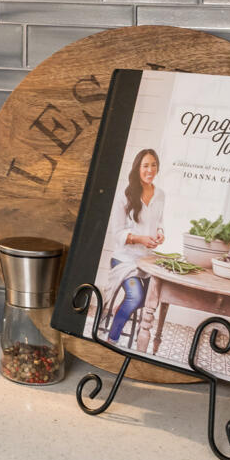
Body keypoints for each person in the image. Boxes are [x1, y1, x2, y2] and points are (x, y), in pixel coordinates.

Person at [102, 148, 166, 346]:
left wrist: (160, 234)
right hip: (124, 259)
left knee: (149, 299)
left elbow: (159, 222)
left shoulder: (161, 195)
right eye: (145, 165)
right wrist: (140, 239)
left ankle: (119, 308)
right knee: (135, 296)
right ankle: (112, 339)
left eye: (153, 165)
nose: (150, 170)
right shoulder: (124, 194)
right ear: (138, 168)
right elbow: (117, 232)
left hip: (147, 261)